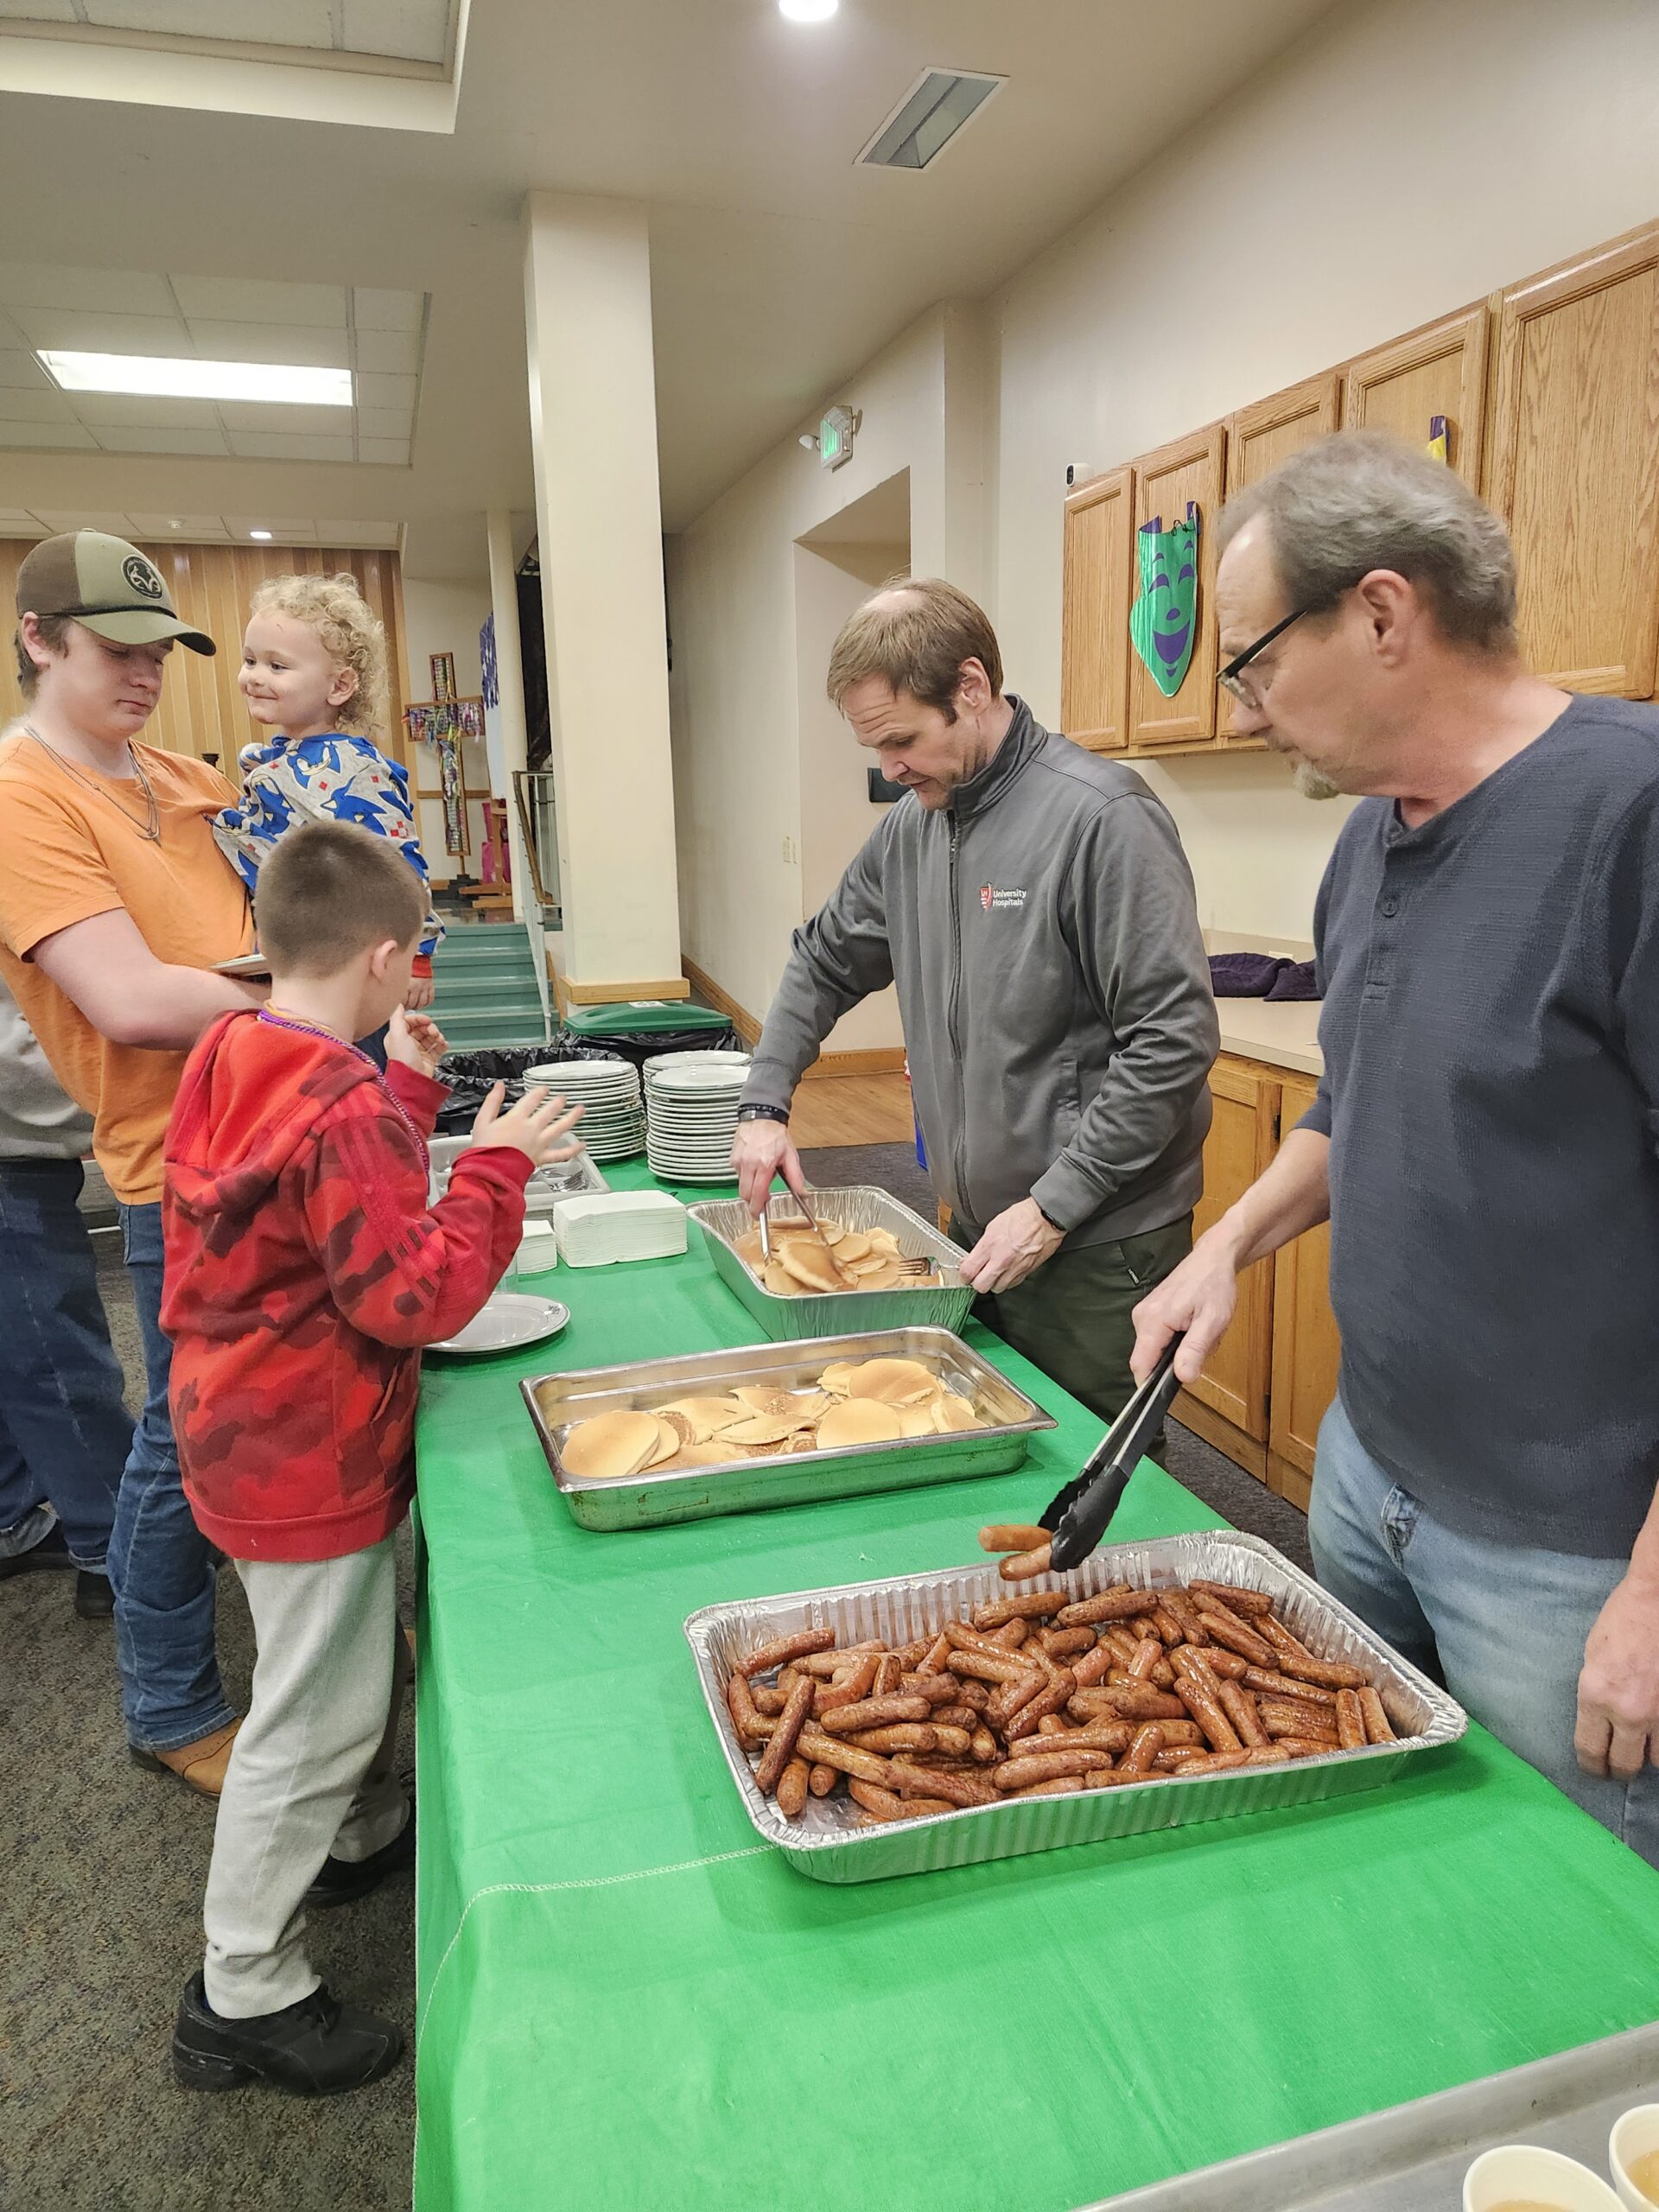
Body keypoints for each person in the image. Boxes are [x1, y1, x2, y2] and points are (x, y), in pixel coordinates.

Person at [1130, 429, 1659, 1864]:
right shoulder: (1369, 840)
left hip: (1569, 1556)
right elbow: (1357, 1103)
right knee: (1392, 1865)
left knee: (1576, 1945)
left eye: (1249, 662)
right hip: (1365, 1481)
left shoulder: (1633, 812)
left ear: (1380, 614)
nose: (1242, 711)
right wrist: (1225, 1247)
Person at [164, 822, 582, 2096]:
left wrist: (399, 1089)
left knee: (328, 1682)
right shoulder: (336, 1099)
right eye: (423, 964)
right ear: (392, 959)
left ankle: (356, 1835)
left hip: (237, 1431)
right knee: (308, 1717)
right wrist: (498, 1172)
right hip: (309, 1456)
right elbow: (411, 1295)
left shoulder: (238, 1045)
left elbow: (312, 1192)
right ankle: (243, 1989)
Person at [732, 576, 1217, 1424]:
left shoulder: (1103, 818)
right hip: (980, 1228)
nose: (890, 770)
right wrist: (765, 1098)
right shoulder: (912, 829)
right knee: (985, 1451)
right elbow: (823, 959)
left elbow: (1171, 1041)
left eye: (904, 740)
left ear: (971, 686)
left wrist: (1055, 1207)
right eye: (875, 750)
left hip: (1100, 1244)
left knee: (1093, 1496)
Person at [0, 531, 264, 1797]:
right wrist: (307, 999)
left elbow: (271, 929)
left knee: (272, 1407)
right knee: (181, 1438)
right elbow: (133, 1001)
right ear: (40, 640)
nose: (148, 673)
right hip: (180, 1166)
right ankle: (169, 1704)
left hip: (272, 1131)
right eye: (119, 649)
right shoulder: (22, 794)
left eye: (162, 651)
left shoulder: (183, 776)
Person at [210, 570, 443, 1050]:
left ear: (339, 685)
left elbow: (398, 860)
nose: (254, 676)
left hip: (345, 966)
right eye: (250, 660)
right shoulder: (277, 759)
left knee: (348, 1079)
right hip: (289, 959)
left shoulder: (353, 768)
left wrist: (417, 954)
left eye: (278, 666)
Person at [0, 970, 130, 1622]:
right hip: (10, 1157)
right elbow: (15, 1055)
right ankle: (115, 1546)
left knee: (17, 1351)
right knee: (53, 1357)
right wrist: (132, 1094)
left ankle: (11, 1517)